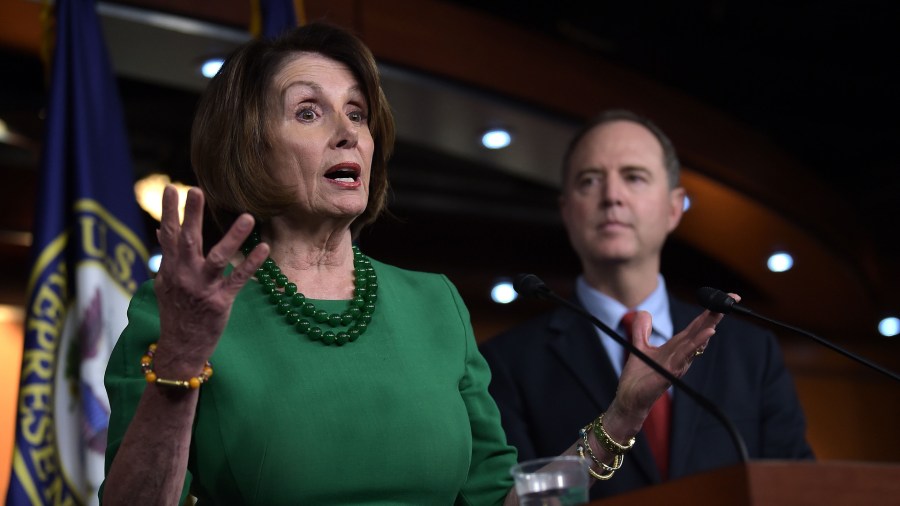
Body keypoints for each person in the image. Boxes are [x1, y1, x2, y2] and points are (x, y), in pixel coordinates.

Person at [100, 24, 728, 505]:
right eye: (309, 112)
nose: (348, 134)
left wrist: (621, 417)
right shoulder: (179, 313)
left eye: (357, 113)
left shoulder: (436, 305)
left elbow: (504, 499)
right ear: (250, 148)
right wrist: (180, 362)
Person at [480, 109, 815, 501]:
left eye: (634, 177)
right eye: (590, 181)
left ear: (675, 208)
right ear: (567, 210)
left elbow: (798, 489)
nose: (612, 196)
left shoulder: (752, 353)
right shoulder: (506, 363)